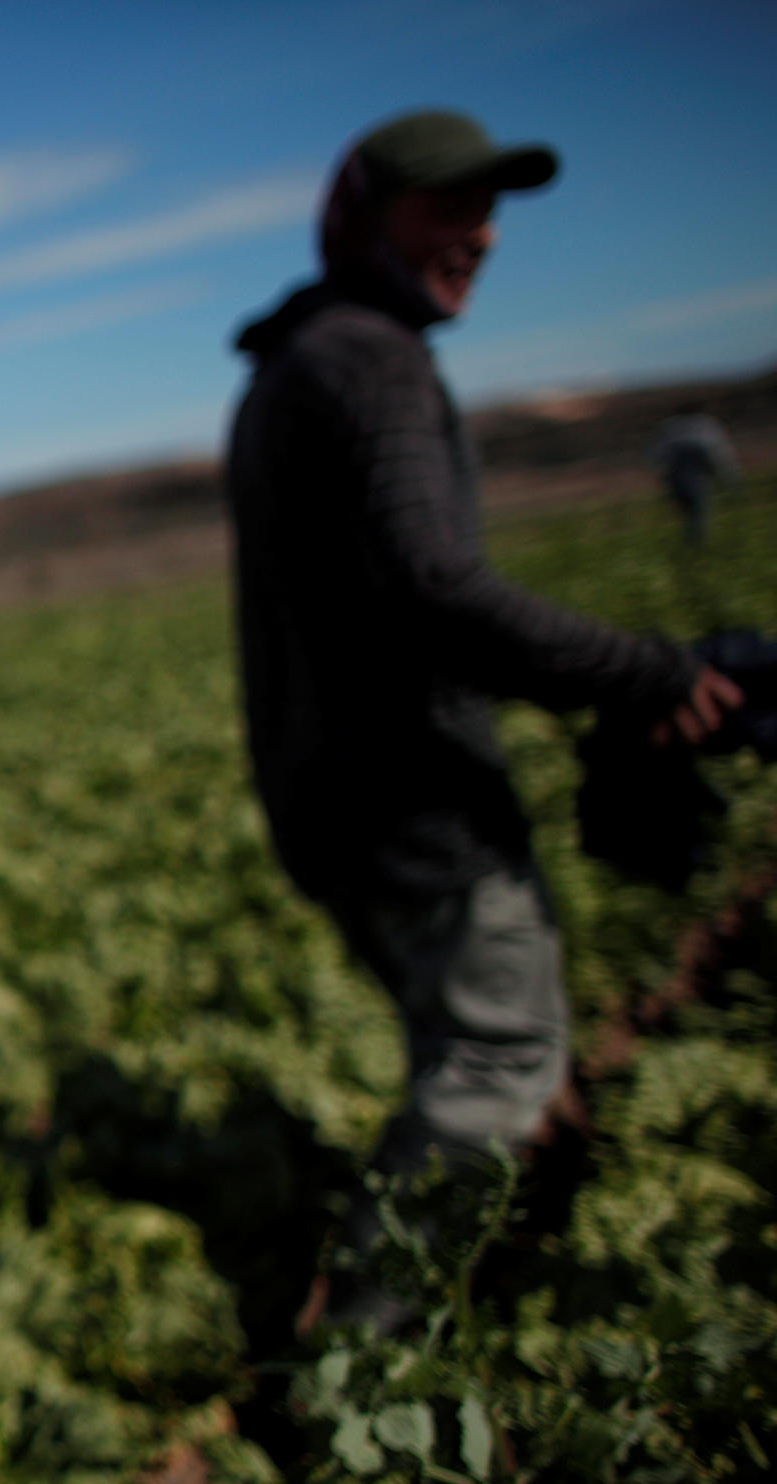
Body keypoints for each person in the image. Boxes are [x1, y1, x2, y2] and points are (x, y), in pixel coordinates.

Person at [223, 109, 742, 1327]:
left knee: (470, 1046)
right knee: (497, 1065)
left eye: (489, 209)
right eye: (447, 207)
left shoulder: (298, 360)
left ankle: (448, 1290)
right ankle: (367, 1357)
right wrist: (647, 678)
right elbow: (433, 585)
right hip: (404, 799)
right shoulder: (369, 358)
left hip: (337, 796)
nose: (484, 235)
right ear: (361, 216)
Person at [653, 413, 741, 546]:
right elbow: (717, 459)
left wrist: (664, 478)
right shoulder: (704, 432)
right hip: (695, 483)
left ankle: (692, 543)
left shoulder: (671, 431)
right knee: (698, 515)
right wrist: (730, 481)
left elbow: (658, 458)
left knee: (690, 515)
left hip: (677, 482)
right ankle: (696, 544)